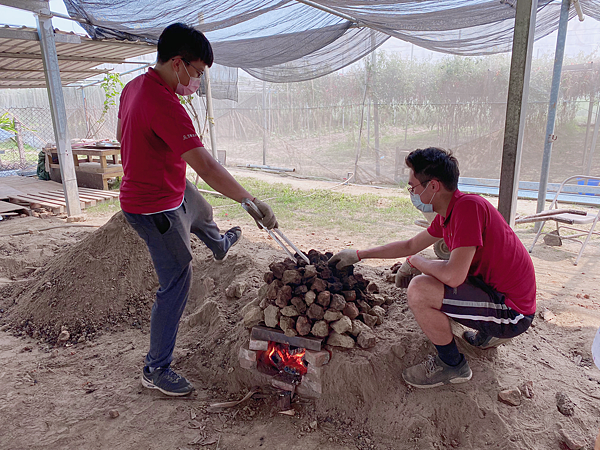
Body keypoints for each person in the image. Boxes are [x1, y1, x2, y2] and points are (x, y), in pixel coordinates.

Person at [117, 23, 278, 396]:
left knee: (202, 208)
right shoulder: (165, 105)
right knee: (177, 280)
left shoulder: (134, 87)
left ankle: (219, 244)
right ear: (178, 63)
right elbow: (205, 166)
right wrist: (249, 200)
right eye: (198, 73)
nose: (198, 81)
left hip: (165, 185)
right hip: (153, 206)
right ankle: (156, 368)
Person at [329, 147, 536, 388]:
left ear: (433, 186)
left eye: (413, 187)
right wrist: (359, 254)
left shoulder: (468, 210)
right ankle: (488, 333)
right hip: (498, 289)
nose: (412, 193)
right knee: (433, 270)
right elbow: (410, 245)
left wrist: (417, 262)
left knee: (420, 289)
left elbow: (453, 275)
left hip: (513, 312)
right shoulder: (452, 211)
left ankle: (452, 365)